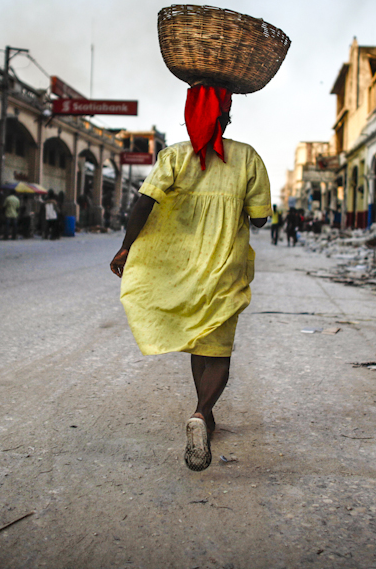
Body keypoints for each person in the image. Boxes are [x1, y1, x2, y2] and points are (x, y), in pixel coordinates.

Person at [110, 84, 270, 472]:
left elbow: (143, 203)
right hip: (225, 268)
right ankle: (201, 414)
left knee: (199, 338)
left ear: (188, 117)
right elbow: (261, 217)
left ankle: (205, 414)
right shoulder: (247, 158)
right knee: (215, 347)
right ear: (226, 117)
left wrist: (126, 246)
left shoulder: (173, 157)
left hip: (178, 266)